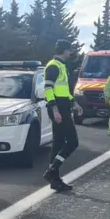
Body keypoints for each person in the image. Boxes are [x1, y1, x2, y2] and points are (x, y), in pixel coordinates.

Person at [43, 39, 82, 192]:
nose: (70, 53)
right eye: (69, 50)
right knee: (73, 142)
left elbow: (64, 92)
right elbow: (47, 89)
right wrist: (54, 110)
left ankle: (55, 180)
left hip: (64, 106)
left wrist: (75, 103)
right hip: (58, 108)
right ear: (65, 51)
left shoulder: (61, 66)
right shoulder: (53, 66)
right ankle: (52, 171)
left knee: (58, 143)